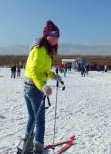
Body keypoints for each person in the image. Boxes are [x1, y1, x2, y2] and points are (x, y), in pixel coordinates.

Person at [22, 21, 63, 154]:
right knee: (39, 121)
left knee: (32, 118)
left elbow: (42, 70)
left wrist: (53, 75)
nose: (56, 38)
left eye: (57, 36)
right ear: (46, 35)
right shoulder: (40, 49)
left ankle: (26, 147)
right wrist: (43, 86)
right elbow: (34, 71)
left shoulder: (45, 50)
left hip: (29, 86)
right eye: (53, 35)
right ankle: (37, 149)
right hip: (34, 88)